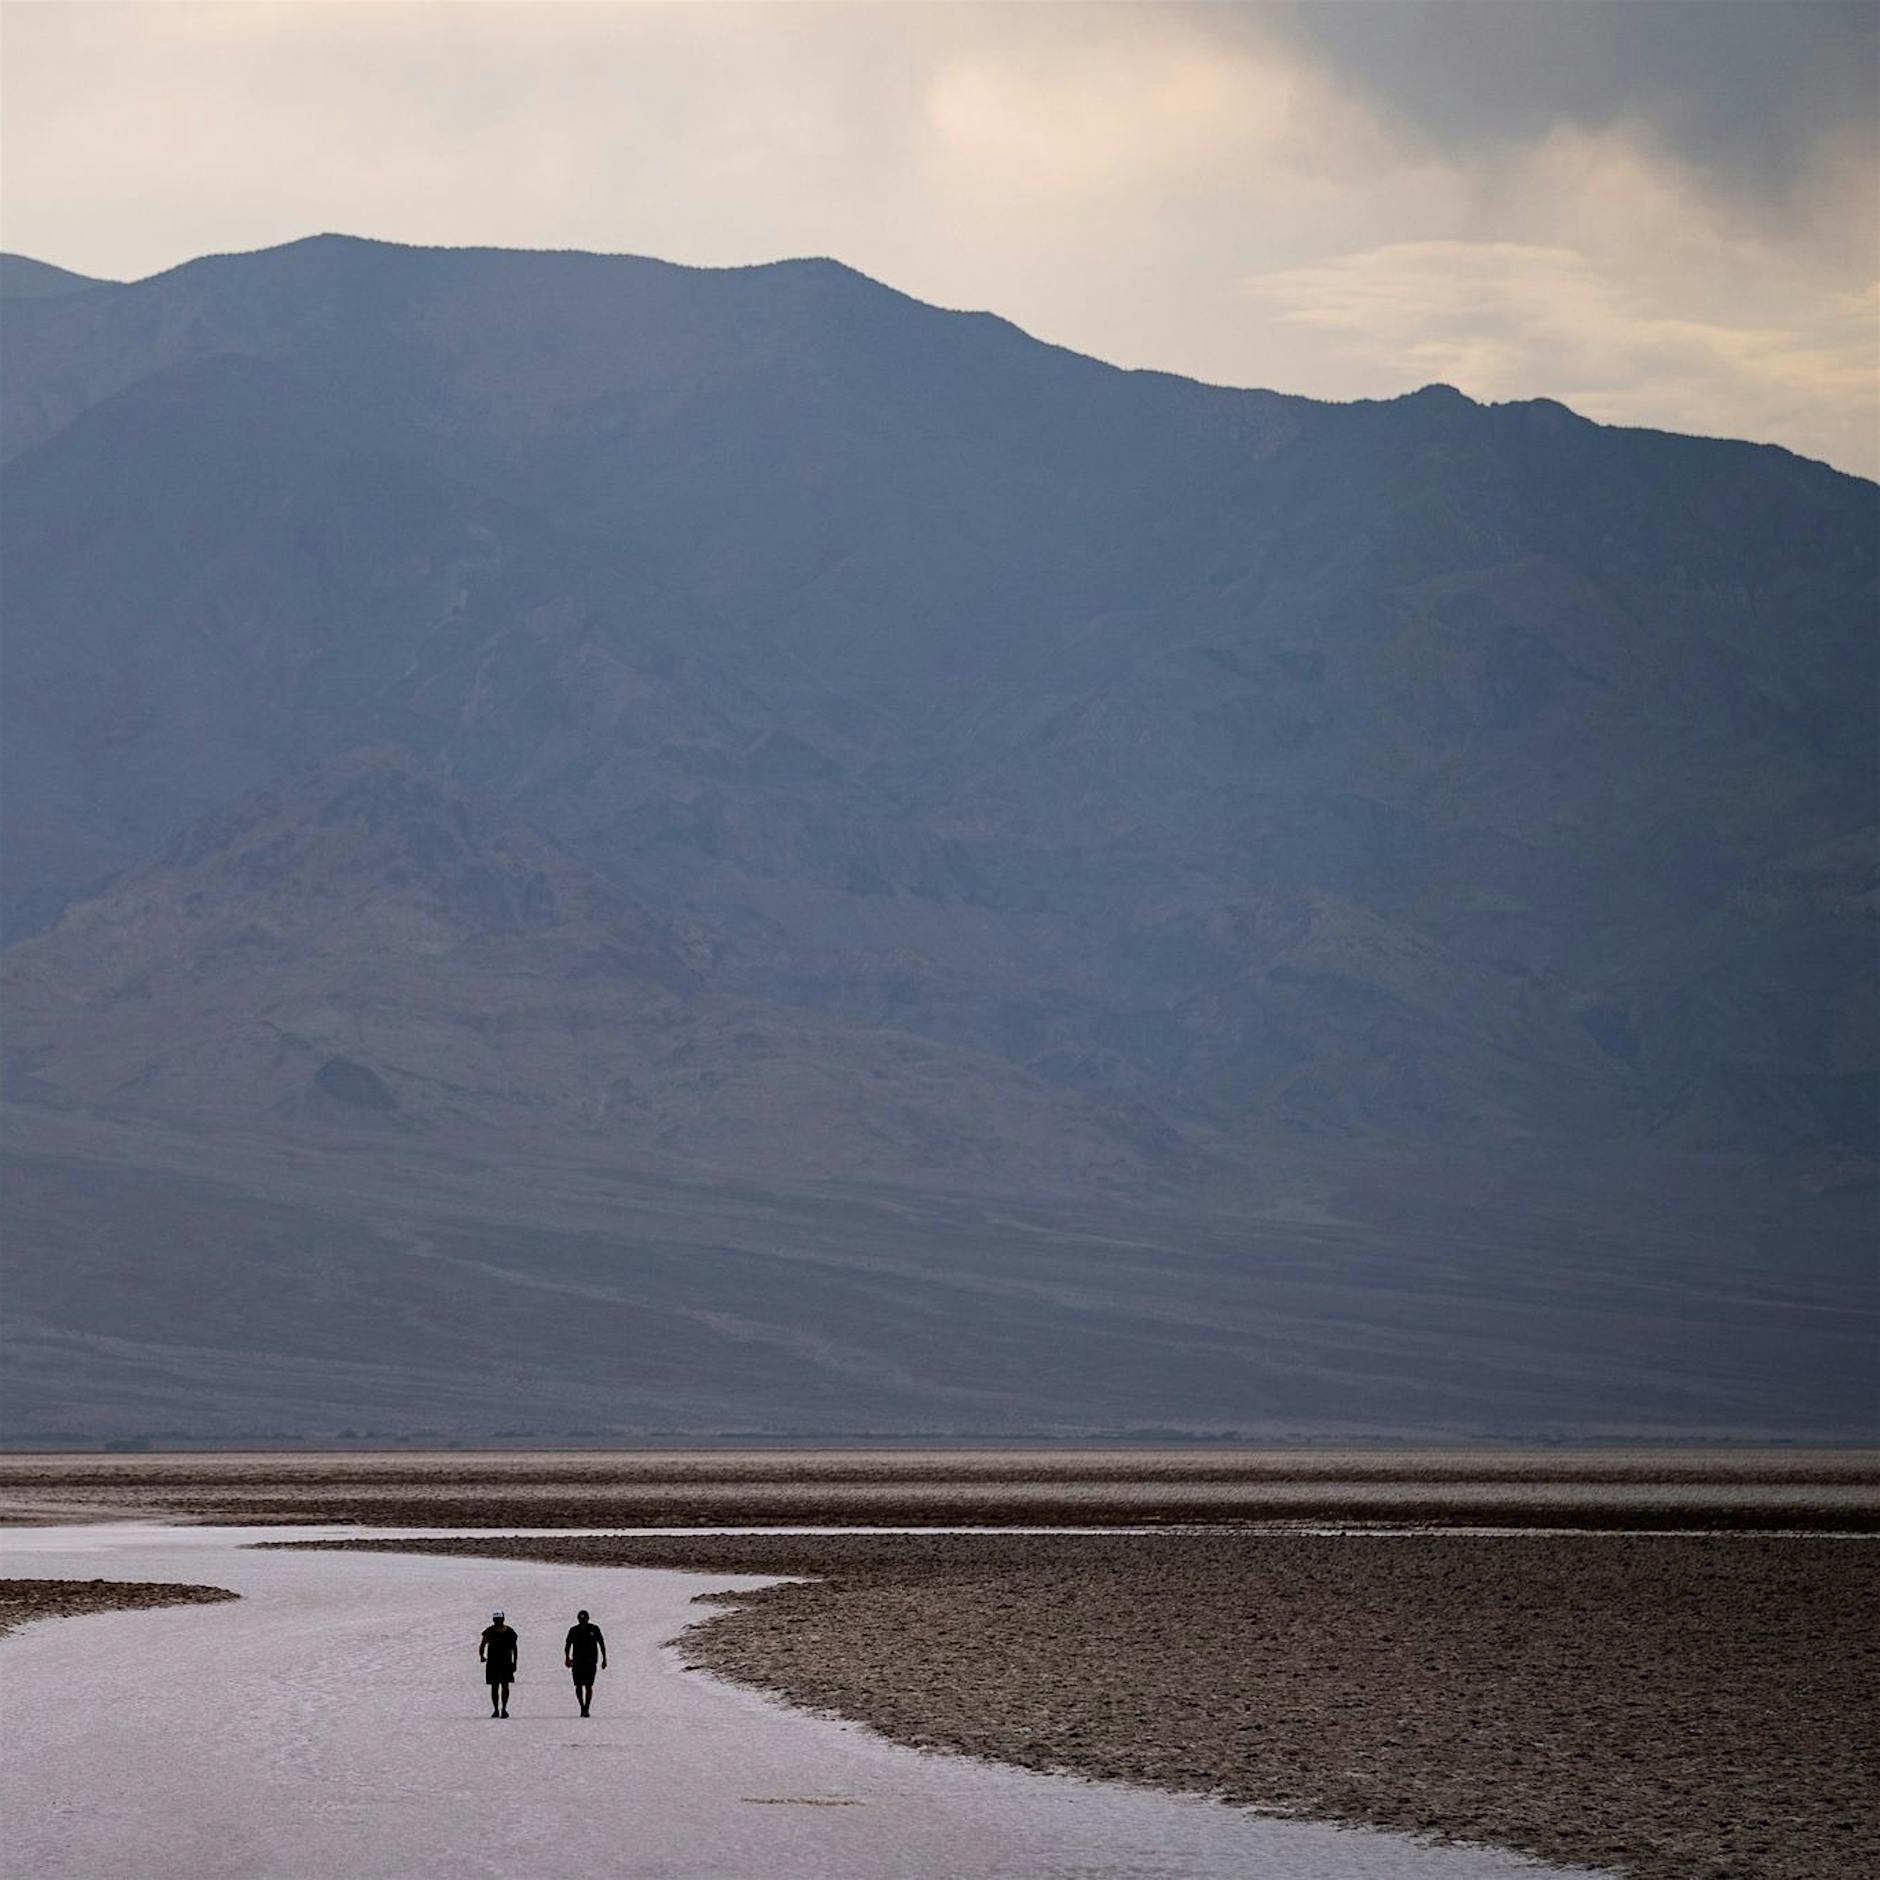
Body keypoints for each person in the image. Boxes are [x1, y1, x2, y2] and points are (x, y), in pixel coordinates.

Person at [563, 1608, 608, 1717]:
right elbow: (567, 1645)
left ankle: (586, 1708)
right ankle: (582, 1707)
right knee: (578, 1686)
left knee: (588, 1685)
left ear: (588, 1619)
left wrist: (604, 1659)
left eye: (584, 1619)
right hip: (577, 1662)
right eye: (580, 1619)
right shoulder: (573, 1630)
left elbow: (601, 1643)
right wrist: (567, 1658)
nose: (582, 1621)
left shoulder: (594, 1629)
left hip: (590, 1662)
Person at [479, 1609, 518, 1718]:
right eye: (496, 1620)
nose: (498, 1622)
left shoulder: (510, 1632)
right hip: (493, 1663)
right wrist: (481, 1655)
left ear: (503, 1619)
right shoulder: (489, 1631)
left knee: (505, 1686)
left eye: (499, 1619)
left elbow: (515, 1648)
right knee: (495, 1687)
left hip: (506, 1663)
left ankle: (504, 1708)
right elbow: (483, 1644)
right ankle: (496, 1709)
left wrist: (515, 1662)